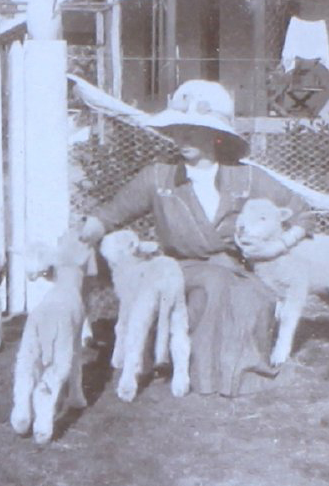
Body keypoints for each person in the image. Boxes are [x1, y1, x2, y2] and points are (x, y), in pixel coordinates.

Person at [80, 79, 314, 397]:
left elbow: (301, 213)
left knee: (253, 296)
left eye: (193, 130)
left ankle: (233, 371)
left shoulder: (246, 177)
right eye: (178, 130)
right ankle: (209, 376)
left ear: (216, 135)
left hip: (235, 268)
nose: (183, 138)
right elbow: (110, 214)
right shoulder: (159, 177)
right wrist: (83, 235)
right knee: (213, 284)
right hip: (181, 270)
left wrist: (277, 247)